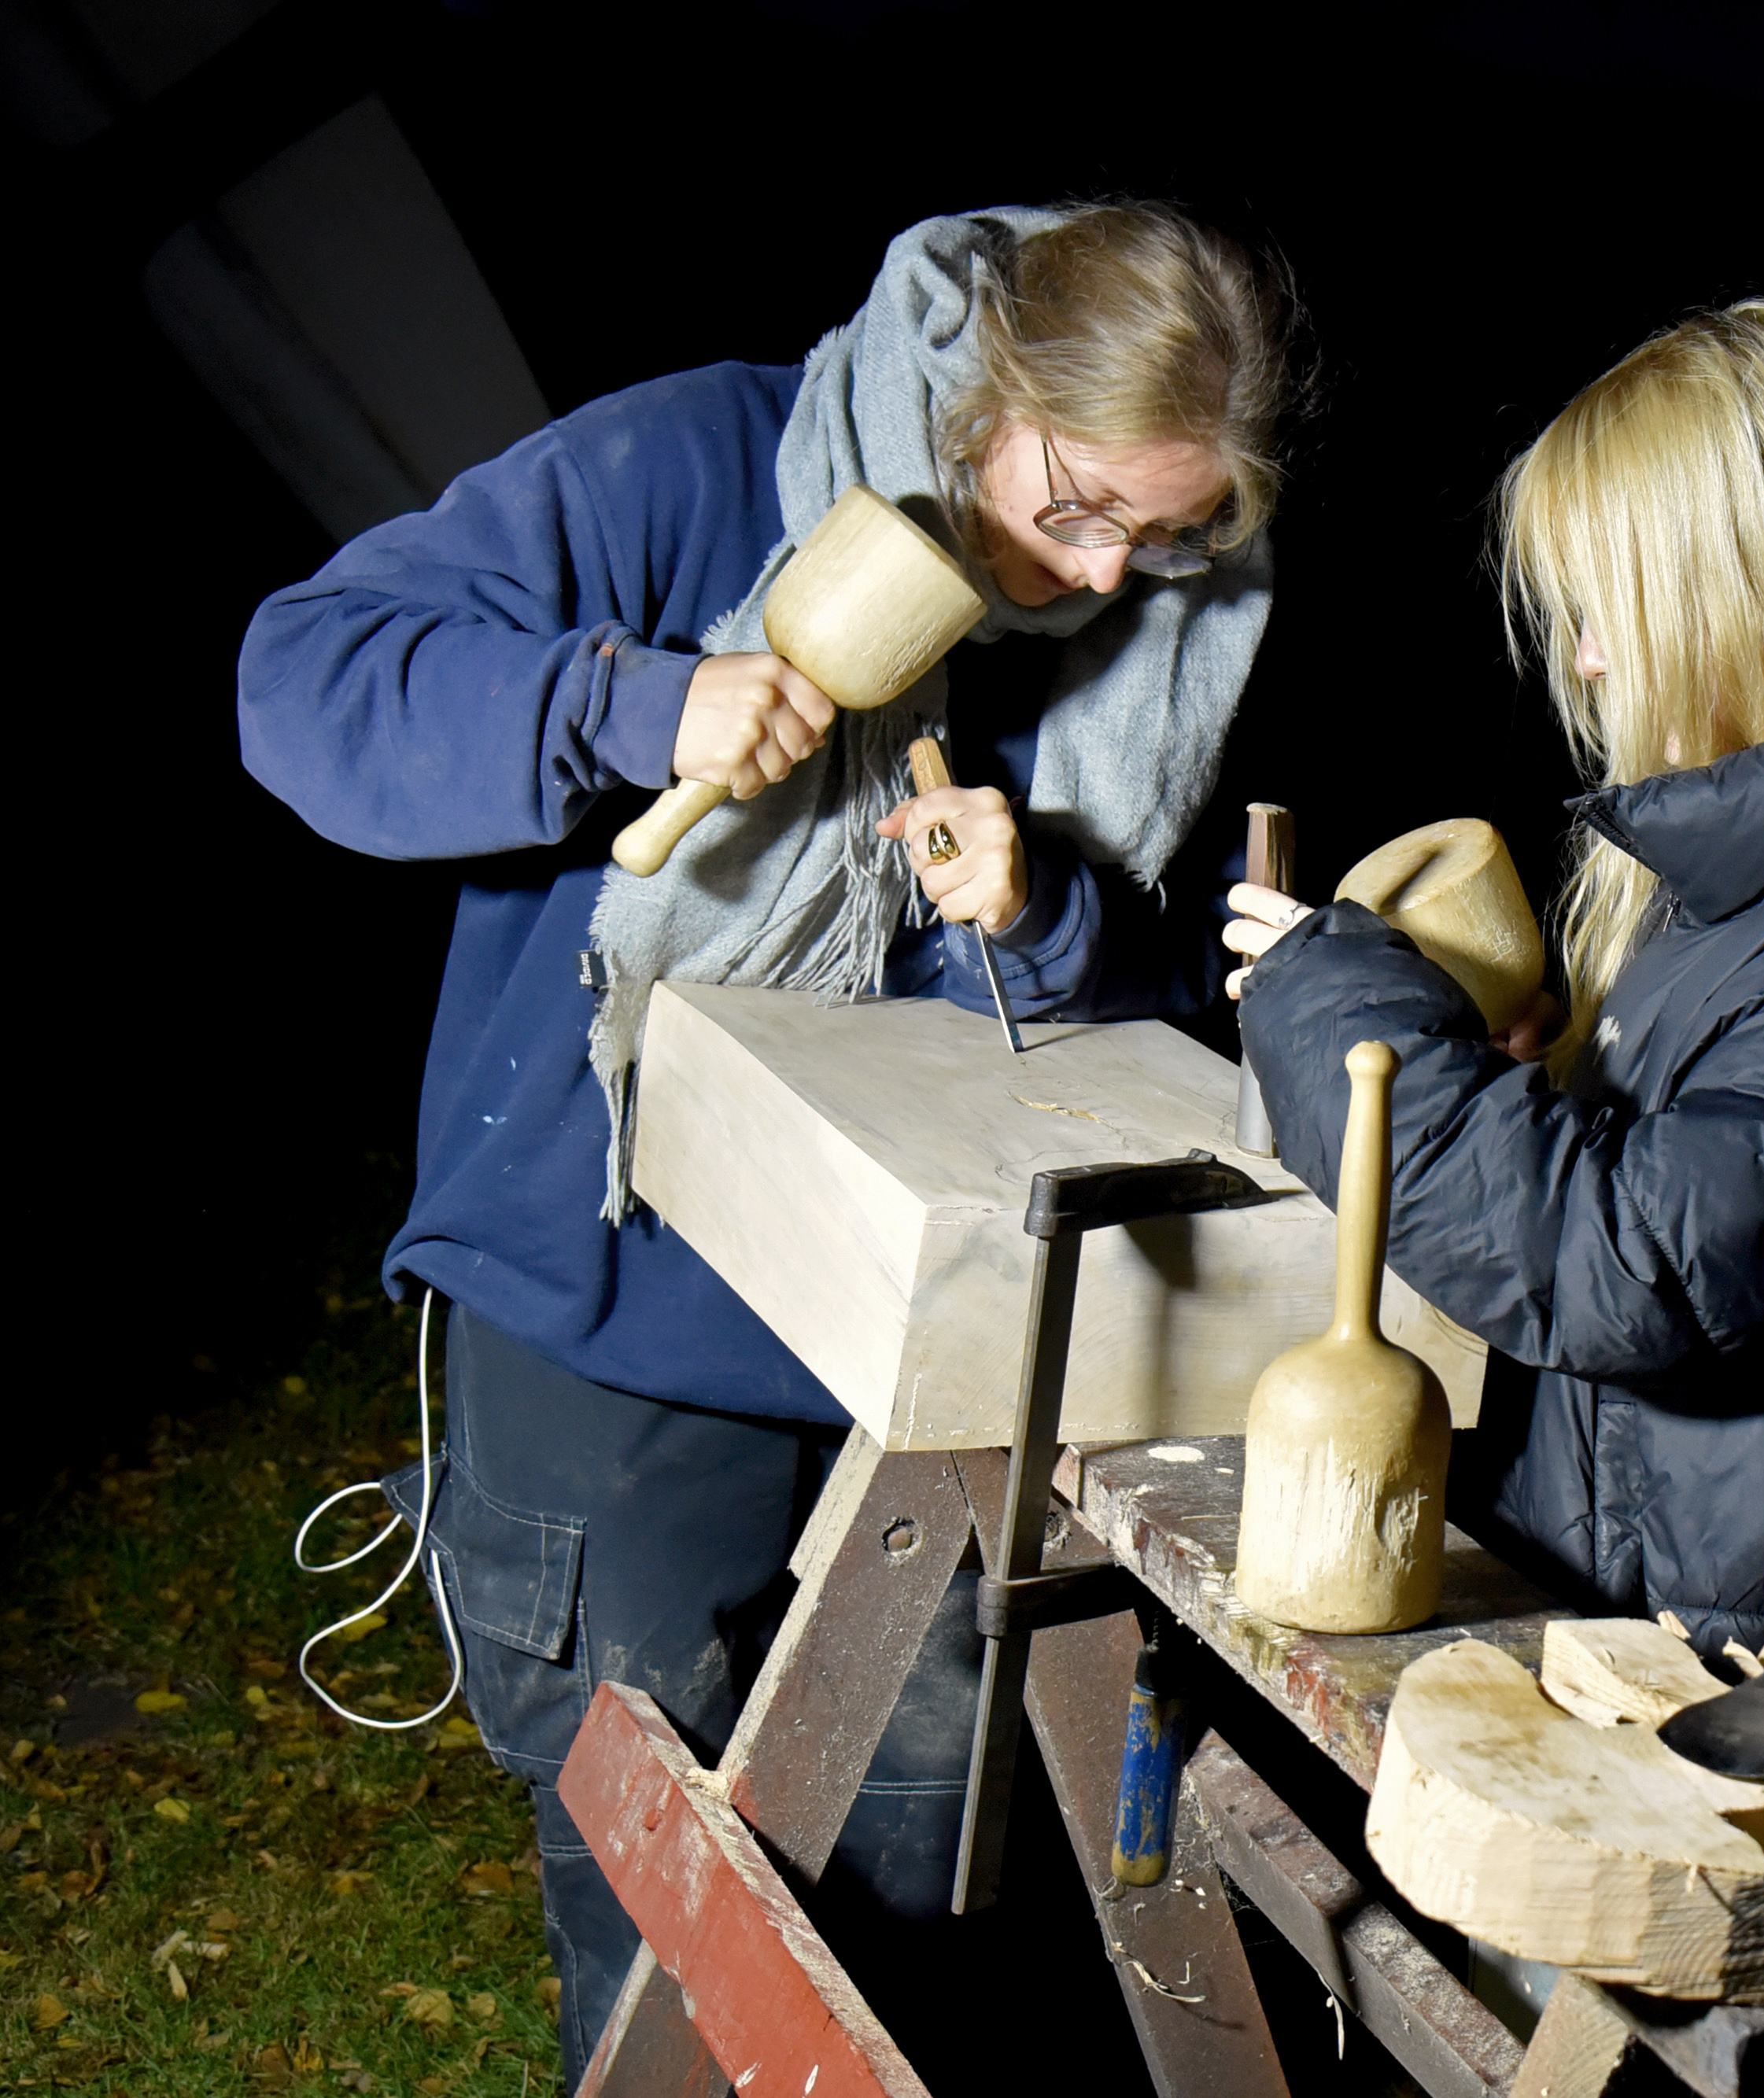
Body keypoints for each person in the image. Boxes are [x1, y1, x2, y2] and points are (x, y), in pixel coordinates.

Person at [238, 202, 1293, 2079]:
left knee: (909, 1899)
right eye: (1075, 506)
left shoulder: (1171, 609)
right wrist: (631, 702)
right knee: (651, 1894)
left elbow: (1180, 956)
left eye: (1165, 533)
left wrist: (1049, 908)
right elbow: (302, 676)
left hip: (936, 1353)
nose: (1106, 575)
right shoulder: (696, 465)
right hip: (615, 1304)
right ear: (984, 391)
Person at [1225, 301, 1764, 1653]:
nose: (1589, 659)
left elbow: (1627, 1261)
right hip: (1623, 1592)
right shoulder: (1760, 866)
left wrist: (1337, 1013)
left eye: (1612, 606)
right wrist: (1539, 1082)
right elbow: (1700, 1171)